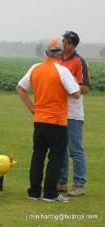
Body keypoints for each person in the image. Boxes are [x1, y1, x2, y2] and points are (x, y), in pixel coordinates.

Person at [16, 39, 81, 202]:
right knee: (56, 157)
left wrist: (31, 107)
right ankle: (50, 194)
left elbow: (20, 88)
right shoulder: (63, 70)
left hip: (39, 120)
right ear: (60, 54)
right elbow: (76, 93)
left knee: (37, 156)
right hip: (57, 121)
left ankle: (34, 192)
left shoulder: (35, 68)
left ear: (46, 53)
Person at [57, 31, 90, 196]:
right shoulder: (58, 59)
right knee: (60, 148)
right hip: (58, 111)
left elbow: (85, 87)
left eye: (68, 42)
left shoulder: (79, 61)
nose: (64, 45)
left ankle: (79, 185)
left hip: (73, 113)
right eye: (63, 41)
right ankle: (61, 182)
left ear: (74, 45)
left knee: (75, 150)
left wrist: (68, 85)